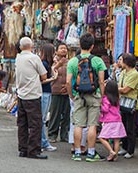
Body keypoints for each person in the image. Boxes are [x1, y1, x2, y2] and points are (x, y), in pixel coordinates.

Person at [67, 33, 106, 162]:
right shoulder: (97, 61)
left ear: (80, 45)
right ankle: (91, 153)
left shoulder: (72, 61)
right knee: (92, 125)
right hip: (94, 95)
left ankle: (77, 152)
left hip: (79, 95)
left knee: (78, 125)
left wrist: (72, 95)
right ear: (92, 46)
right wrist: (102, 96)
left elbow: (68, 81)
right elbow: (101, 81)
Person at [15, 37, 48, 159]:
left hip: (21, 94)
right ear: (32, 46)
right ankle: (33, 150)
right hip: (33, 95)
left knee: (22, 123)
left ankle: (23, 149)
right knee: (35, 124)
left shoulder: (18, 58)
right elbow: (44, 76)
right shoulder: (34, 58)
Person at [117, 53, 138, 159]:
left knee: (130, 127)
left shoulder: (134, 74)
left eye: (121, 60)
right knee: (123, 126)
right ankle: (124, 147)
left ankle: (130, 150)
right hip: (122, 102)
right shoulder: (123, 72)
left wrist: (115, 89)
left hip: (131, 103)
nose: (119, 62)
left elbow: (126, 89)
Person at [98, 80, 127, 162]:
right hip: (118, 121)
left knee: (101, 138)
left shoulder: (106, 98)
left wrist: (100, 105)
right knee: (116, 140)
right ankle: (115, 156)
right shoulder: (117, 98)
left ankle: (111, 151)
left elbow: (105, 109)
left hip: (109, 121)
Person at [47, 42, 70, 142]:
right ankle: (52, 134)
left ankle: (64, 135)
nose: (64, 50)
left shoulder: (70, 62)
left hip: (67, 90)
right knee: (55, 113)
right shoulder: (52, 61)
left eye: (65, 48)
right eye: (61, 48)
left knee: (66, 114)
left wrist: (67, 86)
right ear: (56, 51)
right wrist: (59, 64)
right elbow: (51, 73)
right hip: (55, 90)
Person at [39, 43, 57, 152]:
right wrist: (53, 79)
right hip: (44, 92)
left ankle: (43, 141)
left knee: (43, 118)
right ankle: (43, 142)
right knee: (42, 118)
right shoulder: (44, 64)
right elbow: (42, 80)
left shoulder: (46, 64)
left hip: (46, 92)